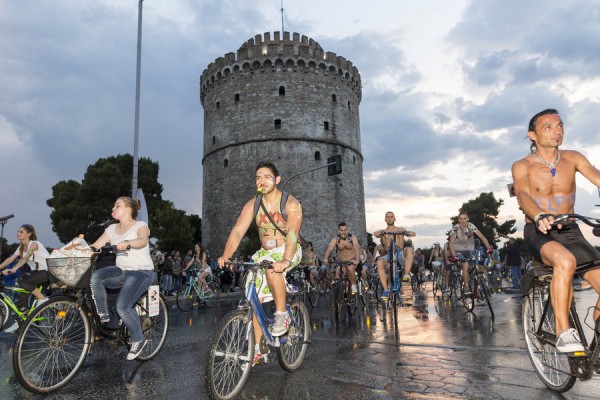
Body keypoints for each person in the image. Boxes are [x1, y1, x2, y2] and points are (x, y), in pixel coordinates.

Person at [511, 108, 600, 353]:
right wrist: (539, 214)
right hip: (539, 231)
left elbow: (597, 177)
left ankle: (598, 347)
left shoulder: (573, 158)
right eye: (548, 127)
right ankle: (563, 331)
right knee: (565, 261)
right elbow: (522, 194)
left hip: (570, 230)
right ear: (532, 135)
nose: (557, 131)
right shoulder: (523, 165)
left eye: (560, 125)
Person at [218, 161, 302, 364]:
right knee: (253, 298)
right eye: (258, 177)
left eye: (267, 177)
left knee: (273, 270)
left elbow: (292, 235)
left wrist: (285, 260)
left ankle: (282, 315)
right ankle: (257, 347)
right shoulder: (253, 205)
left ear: (277, 180)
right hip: (265, 252)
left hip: (288, 251)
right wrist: (226, 255)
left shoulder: (291, 204)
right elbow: (238, 231)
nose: (261, 181)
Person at [89, 196, 155, 360]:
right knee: (96, 277)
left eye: (117, 205)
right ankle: (103, 313)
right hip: (121, 270)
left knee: (122, 307)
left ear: (128, 209)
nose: (113, 207)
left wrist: (128, 242)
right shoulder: (111, 229)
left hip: (141, 271)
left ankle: (138, 339)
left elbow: (142, 241)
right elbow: (96, 245)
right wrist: (80, 251)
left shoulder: (140, 225)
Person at [0, 224, 50, 333]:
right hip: (36, 273)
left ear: (29, 234)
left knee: (23, 282)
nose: (18, 233)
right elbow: (10, 259)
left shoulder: (35, 244)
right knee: (21, 300)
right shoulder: (21, 247)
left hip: (47, 272)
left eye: (21, 232)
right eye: (18, 231)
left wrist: (14, 268)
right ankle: (20, 322)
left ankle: (43, 300)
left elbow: (25, 258)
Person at [373, 211, 416, 301]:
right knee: (379, 262)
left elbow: (413, 233)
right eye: (388, 217)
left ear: (394, 218)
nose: (390, 218)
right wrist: (383, 232)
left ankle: (406, 275)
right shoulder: (383, 232)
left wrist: (405, 232)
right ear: (385, 219)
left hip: (399, 253)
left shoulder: (400, 229)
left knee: (410, 250)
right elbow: (376, 234)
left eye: (391, 216)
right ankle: (385, 290)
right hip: (388, 254)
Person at [448, 211, 492, 295]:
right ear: (458, 220)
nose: (463, 221)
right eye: (461, 219)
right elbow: (451, 243)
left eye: (465, 218)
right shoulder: (456, 228)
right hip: (458, 251)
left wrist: (488, 248)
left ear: (468, 219)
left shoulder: (471, 226)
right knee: (466, 265)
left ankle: (477, 283)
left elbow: (482, 237)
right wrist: (454, 255)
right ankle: (466, 287)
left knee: (476, 265)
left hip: (469, 250)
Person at [323, 222, 361, 294]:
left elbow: (356, 247)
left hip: (352, 260)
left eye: (345, 230)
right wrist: (325, 258)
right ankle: (340, 290)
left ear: (347, 230)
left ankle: (353, 285)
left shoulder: (352, 238)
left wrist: (357, 260)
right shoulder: (336, 239)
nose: (344, 232)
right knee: (337, 273)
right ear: (338, 231)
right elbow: (329, 249)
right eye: (341, 230)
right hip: (342, 261)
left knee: (350, 268)